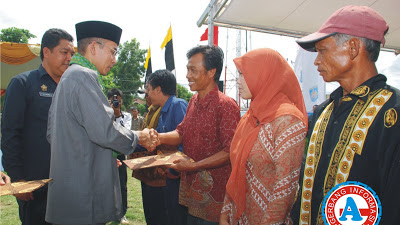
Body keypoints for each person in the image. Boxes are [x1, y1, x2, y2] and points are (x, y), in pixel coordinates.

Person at [290, 5, 400, 224]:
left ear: (352, 48)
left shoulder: (393, 112)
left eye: (322, 50)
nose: (316, 61)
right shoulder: (324, 111)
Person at [45, 20, 155, 225]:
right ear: (94, 47)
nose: (114, 60)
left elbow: (53, 134)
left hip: (71, 188)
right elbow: (105, 131)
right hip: (83, 193)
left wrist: (101, 156)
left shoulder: (69, 76)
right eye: (113, 52)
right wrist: (139, 136)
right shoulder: (82, 76)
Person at [220, 48, 308, 225]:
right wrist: (226, 212)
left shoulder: (288, 120)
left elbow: (284, 189)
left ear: (264, 75)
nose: (238, 81)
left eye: (243, 74)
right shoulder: (250, 116)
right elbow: (237, 170)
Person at [154, 45, 241, 224]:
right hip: (192, 195)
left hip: (215, 200)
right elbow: (181, 132)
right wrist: (157, 137)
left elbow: (230, 151)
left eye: (193, 70)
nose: (187, 75)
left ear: (211, 72)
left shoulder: (226, 105)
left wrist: (194, 166)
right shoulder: (193, 100)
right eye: (187, 69)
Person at [1, 28, 74, 225]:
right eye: (64, 52)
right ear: (46, 52)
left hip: (69, 184)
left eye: (71, 53)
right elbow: (10, 134)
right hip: (35, 186)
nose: (69, 58)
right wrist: (18, 179)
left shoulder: (72, 88)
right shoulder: (23, 83)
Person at [143, 69, 188, 225]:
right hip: (167, 174)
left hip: (176, 174)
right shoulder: (161, 110)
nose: (146, 94)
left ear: (158, 89)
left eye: (148, 88)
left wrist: (174, 168)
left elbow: (185, 140)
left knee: (176, 217)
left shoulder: (178, 105)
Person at [107, 88, 132, 224]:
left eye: (118, 102)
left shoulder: (126, 116)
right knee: (106, 183)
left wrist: (116, 115)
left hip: (120, 153)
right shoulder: (102, 114)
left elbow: (125, 133)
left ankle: (122, 213)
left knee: (122, 184)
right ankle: (108, 212)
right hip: (105, 153)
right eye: (113, 101)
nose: (116, 103)